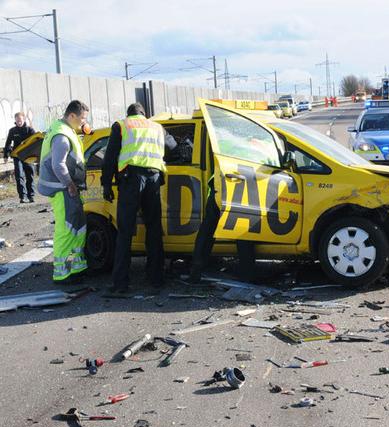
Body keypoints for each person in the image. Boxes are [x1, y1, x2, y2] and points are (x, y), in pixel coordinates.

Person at [101, 102, 172, 293]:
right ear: (144, 114)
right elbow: (172, 145)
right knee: (154, 229)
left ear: (129, 114)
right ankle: (156, 278)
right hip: (153, 180)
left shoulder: (122, 125)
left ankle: (120, 284)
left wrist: (106, 184)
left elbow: (110, 157)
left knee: (124, 232)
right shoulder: (157, 127)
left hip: (131, 180)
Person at [38, 100, 89, 283]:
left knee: (77, 226)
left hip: (66, 188)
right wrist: (70, 184)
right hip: (62, 189)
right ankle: (61, 272)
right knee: (66, 228)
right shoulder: (62, 135)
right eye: (82, 118)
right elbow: (58, 165)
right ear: (72, 116)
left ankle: (77, 266)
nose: (84, 122)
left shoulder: (64, 129)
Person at [188, 174, 256, 284]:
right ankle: (246, 275)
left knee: (208, 229)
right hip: (240, 184)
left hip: (220, 182)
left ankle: (196, 271)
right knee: (242, 228)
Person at [3, 112, 36, 203]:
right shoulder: (12, 131)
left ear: (23, 120)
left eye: (20, 120)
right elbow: (8, 143)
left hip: (28, 156)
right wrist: (6, 155)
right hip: (17, 156)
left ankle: (31, 195)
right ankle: (23, 196)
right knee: (19, 175)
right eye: (17, 121)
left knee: (30, 175)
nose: (19, 122)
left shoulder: (29, 130)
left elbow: (37, 141)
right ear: (15, 121)